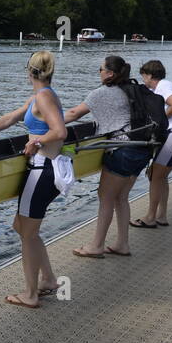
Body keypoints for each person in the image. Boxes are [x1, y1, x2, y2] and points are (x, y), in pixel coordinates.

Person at [0, 51, 68, 307]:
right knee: (22, 227)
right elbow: (11, 117)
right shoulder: (41, 96)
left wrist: (36, 141)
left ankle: (30, 295)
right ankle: (48, 279)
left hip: (42, 171)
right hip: (44, 170)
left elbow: (60, 131)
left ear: (29, 71)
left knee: (27, 234)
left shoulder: (44, 97)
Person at [62, 55, 151, 254]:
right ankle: (122, 244)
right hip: (143, 148)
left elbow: (74, 114)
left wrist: (47, 124)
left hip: (123, 150)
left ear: (110, 73)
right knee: (122, 198)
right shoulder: (134, 89)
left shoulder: (103, 92)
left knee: (106, 197)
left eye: (100, 69)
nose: (99, 72)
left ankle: (96, 246)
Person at [135, 59, 172, 228]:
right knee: (160, 176)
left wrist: (160, 120)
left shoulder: (162, 86)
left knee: (155, 175)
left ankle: (150, 217)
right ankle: (161, 216)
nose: (143, 81)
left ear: (149, 75)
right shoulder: (167, 84)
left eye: (143, 76)